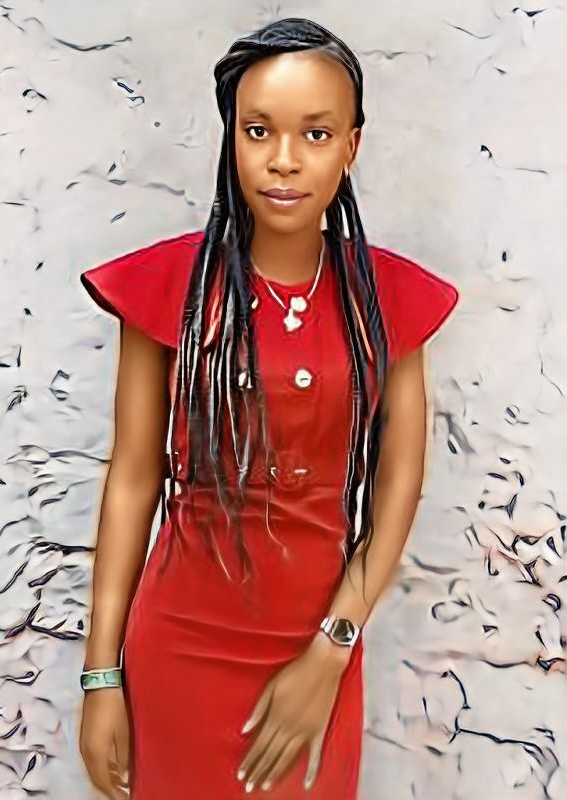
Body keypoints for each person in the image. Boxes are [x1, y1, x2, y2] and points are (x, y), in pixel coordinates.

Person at [77, 16, 459, 800]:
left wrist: (334, 646)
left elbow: (397, 486)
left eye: (316, 134)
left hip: (317, 645)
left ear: (352, 146)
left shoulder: (388, 299)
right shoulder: (169, 290)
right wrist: (101, 675)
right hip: (178, 647)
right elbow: (132, 481)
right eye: (258, 131)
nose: (284, 158)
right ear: (232, 140)